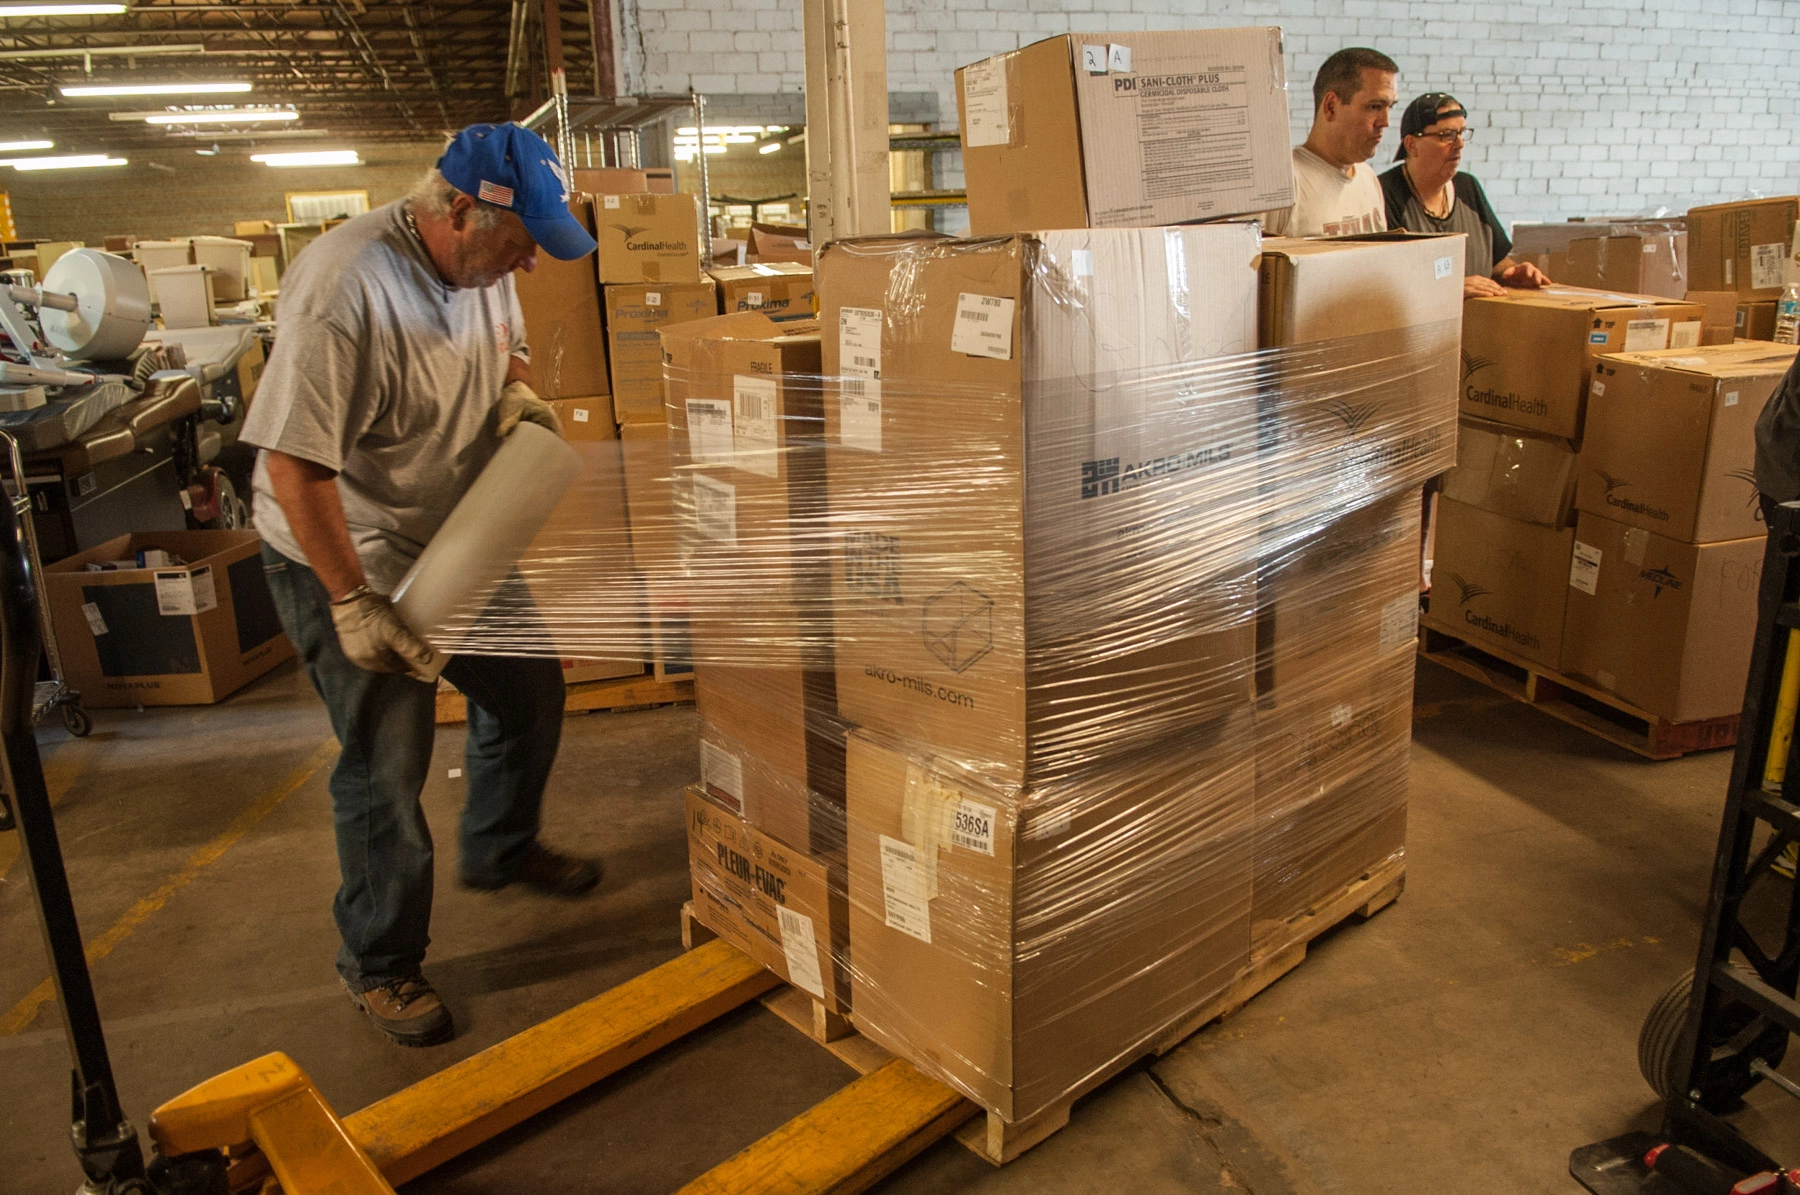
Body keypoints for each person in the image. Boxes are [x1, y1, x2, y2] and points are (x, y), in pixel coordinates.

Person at [241, 122, 601, 1048]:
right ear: (458, 211)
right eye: (520, 244)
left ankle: (500, 846)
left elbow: (506, 345)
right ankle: (381, 961)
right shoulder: (343, 286)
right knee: (383, 763)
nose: (526, 267)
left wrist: (515, 394)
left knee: (527, 688)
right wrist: (351, 601)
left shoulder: (483, 267)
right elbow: (293, 463)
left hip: (451, 531)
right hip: (343, 549)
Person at [1379, 94, 1550, 299]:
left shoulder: (1467, 187)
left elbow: (1497, 260)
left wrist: (1511, 273)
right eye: (1447, 135)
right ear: (1412, 145)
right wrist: (1450, 288)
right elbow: (1386, 284)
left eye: (1462, 133)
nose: (1459, 144)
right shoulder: (1384, 194)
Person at [1262, 47, 1398, 238]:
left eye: (1389, 107)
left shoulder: (1368, 179)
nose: (1385, 121)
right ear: (1331, 106)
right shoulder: (1282, 185)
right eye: (1374, 106)